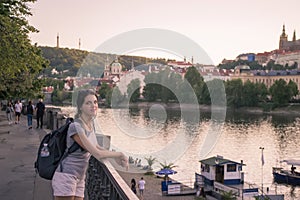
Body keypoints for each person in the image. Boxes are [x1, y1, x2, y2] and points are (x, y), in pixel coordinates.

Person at [51, 89, 128, 200]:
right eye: (88, 103)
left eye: (95, 102)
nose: (93, 106)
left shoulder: (90, 124)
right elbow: (97, 153)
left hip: (80, 177)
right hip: (67, 175)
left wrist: (112, 156)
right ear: (81, 106)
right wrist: (119, 154)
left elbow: (96, 146)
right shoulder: (76, 127)